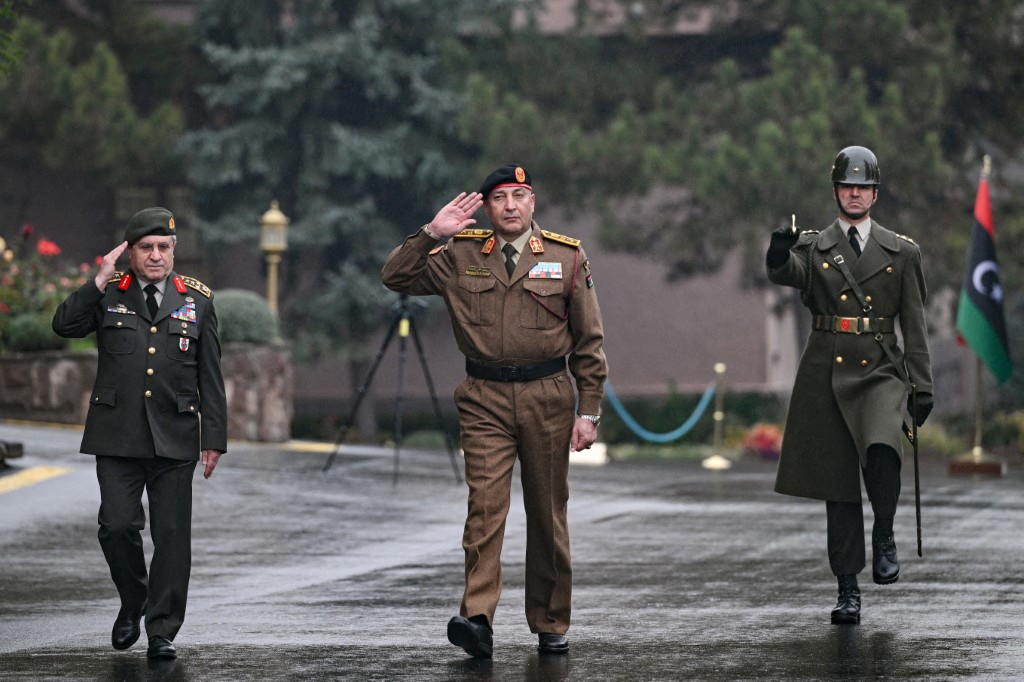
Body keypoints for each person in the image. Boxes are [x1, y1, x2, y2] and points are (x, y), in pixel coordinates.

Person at [382, 164, 608, 657]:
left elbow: (589, 341)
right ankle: (477, 618)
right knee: (484, 509)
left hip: (547, 395)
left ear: (533, 203)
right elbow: (395, 276)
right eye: (500, 196)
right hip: (483, 396)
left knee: (547, 513)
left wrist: (588, 410)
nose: (510, 205)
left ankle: (550, 620)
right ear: (486, 206)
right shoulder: (460, 253)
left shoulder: (566, 257)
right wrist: (430, 233)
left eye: (519, 195)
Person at [765, 146, 934, 625]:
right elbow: (790, 274)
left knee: (884, 450)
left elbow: (914, 323)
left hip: (880, 367)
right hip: (826, 367)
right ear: (836, 191)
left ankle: (884, 531)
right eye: (847, 185)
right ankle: (847, 589)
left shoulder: (903, 252)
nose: (855, 192)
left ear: (875, 193)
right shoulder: (814, 247)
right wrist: (779, 253)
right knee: (837, 486)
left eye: (863, 186)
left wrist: (922, 385)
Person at [52, 207, 227, 659]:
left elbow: (211, 374)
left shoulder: (197, 299)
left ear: (174, 251)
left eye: (163, 248)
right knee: (117, 525)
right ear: (129, 253)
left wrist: (214, 438)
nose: (155, 256)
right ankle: (134, 600)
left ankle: (162, 630)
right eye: (145, 248)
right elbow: (64, 325)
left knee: (171, 535)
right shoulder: (110, 294)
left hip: (176, 433)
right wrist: (98, 279)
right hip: (116, 435)